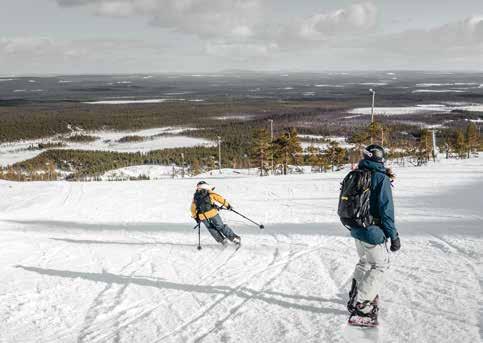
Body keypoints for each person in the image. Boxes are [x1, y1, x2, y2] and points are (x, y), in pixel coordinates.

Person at [347, 144, 401, 321]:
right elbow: (386, 211)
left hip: (355, 228)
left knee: (364, 261)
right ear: (380, 158)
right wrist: (393, 236)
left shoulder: (356, 174)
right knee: (380, 265)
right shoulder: (380, 177)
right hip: (371, 231)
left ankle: (356, 293)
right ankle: (362, 303)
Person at [191, 181, 241, 246]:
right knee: (221, 226)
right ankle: (233, 238)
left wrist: (195, 217)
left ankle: (222, 241)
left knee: (211, 228)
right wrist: (228, 205)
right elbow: (220, 199)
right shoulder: (209, 192)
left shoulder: (195, 196)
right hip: (212, 213)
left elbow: (192, 208)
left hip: (202, 216)